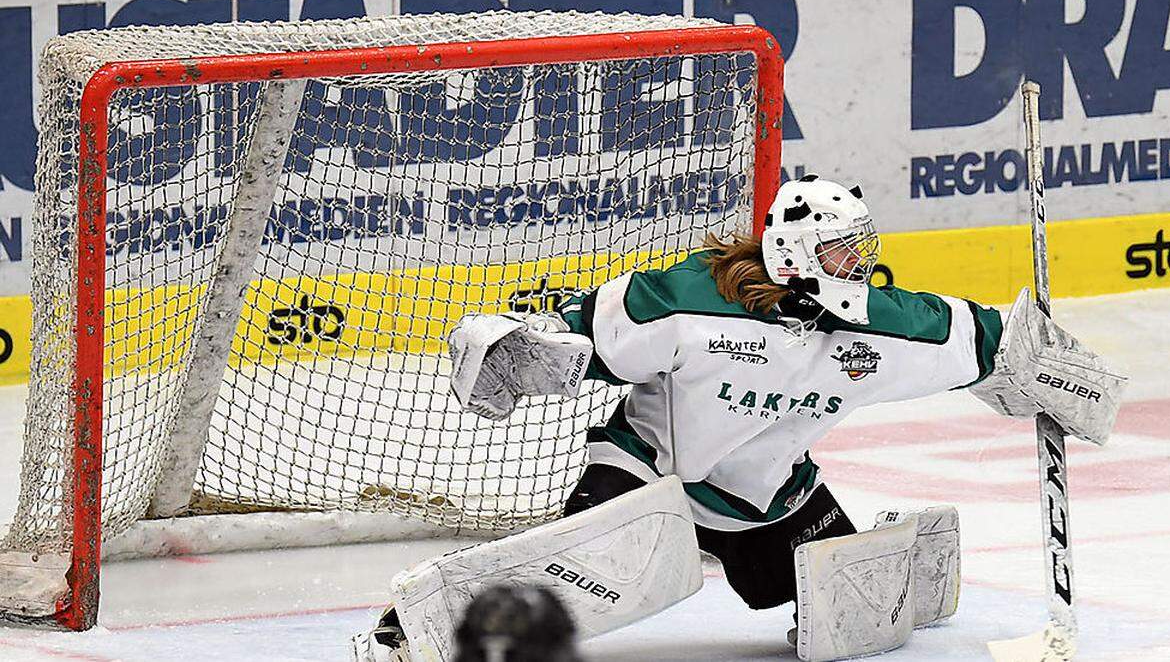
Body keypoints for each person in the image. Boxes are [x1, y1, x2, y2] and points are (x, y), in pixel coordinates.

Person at [354, 175, 1126, 662]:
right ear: (798, 253)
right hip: (649, 468)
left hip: (764, 493)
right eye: (843, 252)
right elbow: (587, 333)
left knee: (845, 613)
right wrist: (530, 347)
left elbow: (984, 337)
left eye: (861, 251)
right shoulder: (693, 301)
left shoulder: (876, 330)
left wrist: (1041, 364)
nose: (861, 267)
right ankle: (411, 626)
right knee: (569, 579)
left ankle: (888, 544)